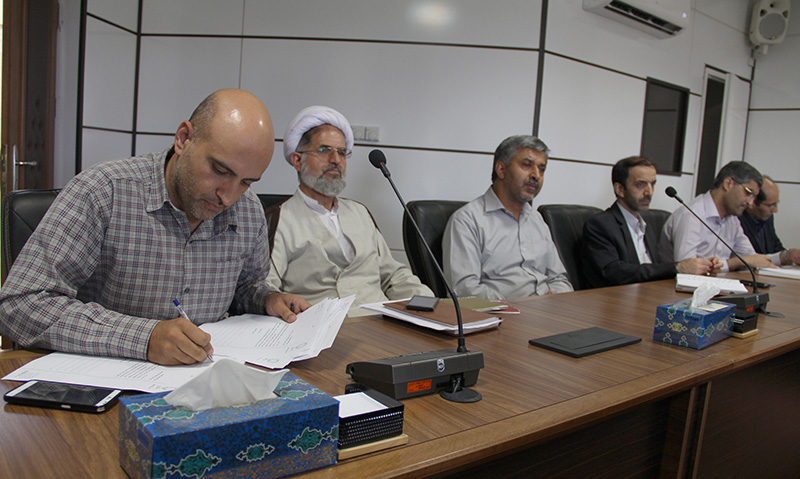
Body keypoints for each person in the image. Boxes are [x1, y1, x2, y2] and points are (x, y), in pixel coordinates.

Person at [0, 89, 309, 365]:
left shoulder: (248, 210)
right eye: (219, 170)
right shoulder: (103, 192)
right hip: (105, 383)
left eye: (246, 182)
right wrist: (143, 338)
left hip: (204, 379)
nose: (228, 197)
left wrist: (266, 299)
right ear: (184, 139)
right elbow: (21, 304)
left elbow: (245, 287)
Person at [266, 105, 433, 316]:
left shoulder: (360, 212)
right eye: (324, 150)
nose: (336, 160)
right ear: (297, 160)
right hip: (321, 327)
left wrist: (432, 305)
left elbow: (393, 276)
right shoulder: (279, 219)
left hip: (381, 324)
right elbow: (267, 289)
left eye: (342, 152)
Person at [442, 135, 572, 301]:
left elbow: (559, 278)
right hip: (502, 313)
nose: (536, 175)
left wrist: (556, 302)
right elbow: (464, 290)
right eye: (527, 165)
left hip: (547, 311)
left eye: (542, 169)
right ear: (501, 169)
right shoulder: (467, 220)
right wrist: (517, 307)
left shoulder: (537, 219)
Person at [583, 157, 715, 288]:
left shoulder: (647, 226)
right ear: (620, 189)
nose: (649, 192)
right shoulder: (600, 225)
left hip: (650, 292)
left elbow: (655, 269)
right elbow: (615, 272)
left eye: (652, 184)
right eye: (640, 184)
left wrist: (702, 266)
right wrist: (677, 267)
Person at [659, 161, 774, 272]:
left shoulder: (732, 219)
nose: (750, 203)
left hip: (716, 282)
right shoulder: (691, 214)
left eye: (753, 197)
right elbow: (687, 267)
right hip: (676, 284)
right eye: (748, 193)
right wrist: (735, 263)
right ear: (728, 184)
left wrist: (782, 257)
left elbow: (752, 258)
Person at [739, 175, 800, 265]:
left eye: (776, 204)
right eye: (771, 205)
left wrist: (792, 256)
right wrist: (785, 256)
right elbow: (749, 258)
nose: (775, 210)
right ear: (752, 202)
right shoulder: (737, 220)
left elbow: (776, 248)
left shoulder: (766, 217)